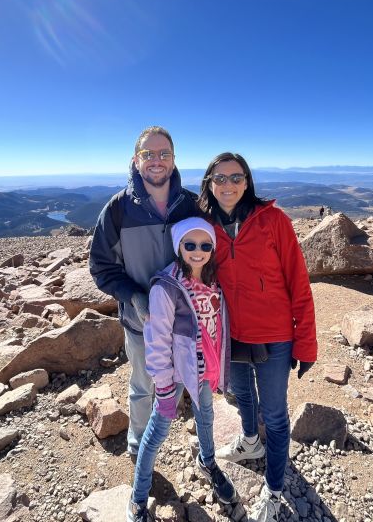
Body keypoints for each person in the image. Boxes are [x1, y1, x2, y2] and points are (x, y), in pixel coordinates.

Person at [198, 152, 317, 522]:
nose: (228, 185)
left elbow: (299, 281)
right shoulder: (203, 226)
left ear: (247, 182)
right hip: (229, 333)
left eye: (236, 178)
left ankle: (275, 489)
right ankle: (250, 442)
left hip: (274, 333)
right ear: (209, 183)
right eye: (220, 178)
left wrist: (306, 342)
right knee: (242, 394)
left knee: (277, 415)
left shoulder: (274, 221)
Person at [89, 126, 200, 461]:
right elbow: (101, 267)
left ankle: (173, 432)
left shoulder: (191, 205)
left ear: (174, 159)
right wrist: (134, 296)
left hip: (184, 322)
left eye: (164, 153)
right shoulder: (118, 209)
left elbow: (211, 254)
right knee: (142, 386)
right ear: (135, 160)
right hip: (141, 323)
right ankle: (139, 444)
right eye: (148, 154)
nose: (157, 160)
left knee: (181, 379)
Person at [127, 217, 236, 521]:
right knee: (158, 430)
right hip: (173, 374)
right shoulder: (167, 287)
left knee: (206, 414)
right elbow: (157, 339)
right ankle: (138, 496)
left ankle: (208, 462)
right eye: (190, 245)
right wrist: (162, 384)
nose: (198, 251)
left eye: (205, 245)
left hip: (201, 368)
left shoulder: (214, 281)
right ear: (178, 247)